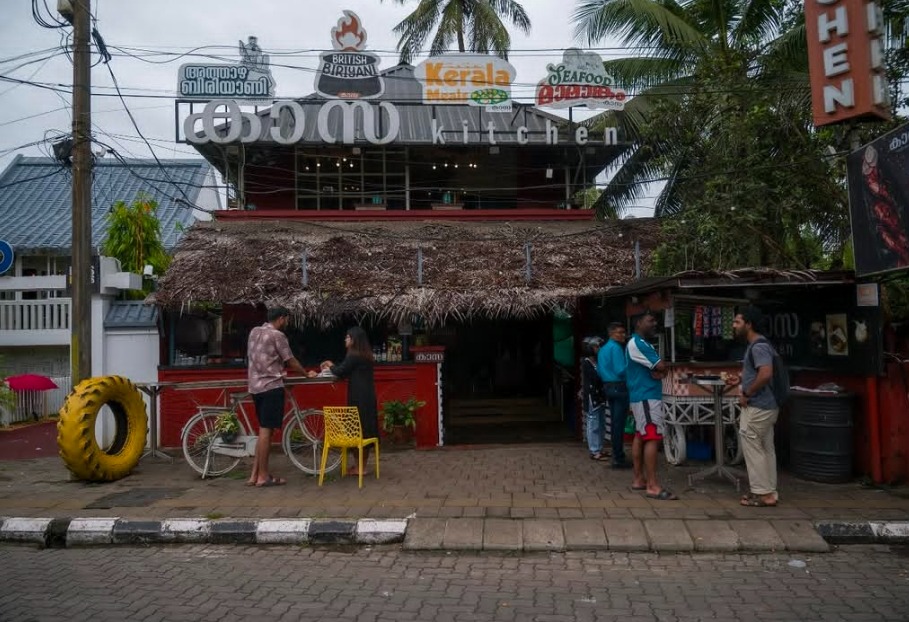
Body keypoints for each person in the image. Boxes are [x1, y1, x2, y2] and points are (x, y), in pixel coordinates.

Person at [247, 306, 312, 487]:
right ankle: (263, 477)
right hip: (271, 387)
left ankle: (254, 475)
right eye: (287, 319)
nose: (287, 322)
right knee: (266, 431)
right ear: (282, 318)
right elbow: (291, 361)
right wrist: (306, 374)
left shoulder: (254, 331)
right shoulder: (278, 336)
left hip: (255, 387)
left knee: (263, 429)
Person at [731, 306, 779, 508]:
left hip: (758, 405)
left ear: (749, 324)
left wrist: (747, 393)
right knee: (766, 448)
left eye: (737, 322)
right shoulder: (759, 345)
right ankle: (769, 491)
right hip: (767, 406)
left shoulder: (758, 346)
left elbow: (765, 373)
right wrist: (742, 380)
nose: (734, 325)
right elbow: (759, 372)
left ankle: (762, 493)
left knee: (752, 444)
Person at [626, 311, 677, 500]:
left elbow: (659, 369)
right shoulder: (638, 343)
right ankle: (653, 486)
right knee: (652, 437)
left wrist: (659, 370)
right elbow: (660, 366)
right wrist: (661, 370)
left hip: (642, 396)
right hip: (646, 396)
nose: (654, 323)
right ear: (639, 323)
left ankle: (639, 479)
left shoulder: (642, 343)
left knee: (641, 436)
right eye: (650, 320)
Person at [321, 326, 378, 476]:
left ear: (354, 340)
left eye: (348, 337)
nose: (345, 339)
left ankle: (359, 468)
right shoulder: (366, 355)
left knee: (356, 432)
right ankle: (362, 466)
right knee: (365, 431)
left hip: (358, 397)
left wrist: (329, 364)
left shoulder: (353, 356)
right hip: (368, 396)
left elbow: (340, 371)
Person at [597, 322, 631, 469]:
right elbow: (621, 370)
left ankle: (617, 455)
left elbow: (599, 370)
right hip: (619, 386)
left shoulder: (603, 349)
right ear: (611, 333)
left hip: (608, 386)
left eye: (624, 332)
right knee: (619, 424)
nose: (623, 335)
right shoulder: (616, 348)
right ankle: (618, 458)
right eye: (620, 332)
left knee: (615, 423)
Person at [580, 336, 608, 461]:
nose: (599, 349)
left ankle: (600, 448)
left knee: (601, 423)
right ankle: (594, 450)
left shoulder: (598, 362)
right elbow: (596, 378)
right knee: (593, 423)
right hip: (592, 396)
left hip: (600, 395)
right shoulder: (587, 362)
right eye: (596, 347)